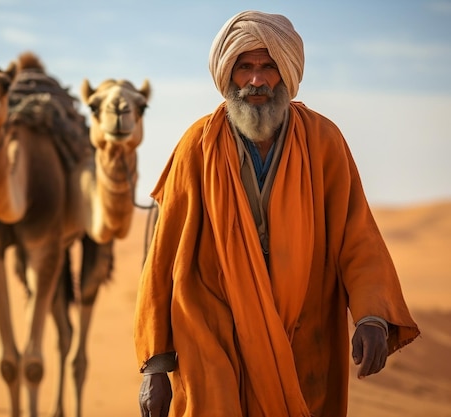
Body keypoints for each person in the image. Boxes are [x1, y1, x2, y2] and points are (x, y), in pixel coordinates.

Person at [133, 10, 420, 417]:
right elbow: (162, 258)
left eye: (268, 66)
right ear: (227, 74)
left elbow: (356, 236)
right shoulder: (197, 145)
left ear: (286, 72)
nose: (256, 80)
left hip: (302, 330)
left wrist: (373, 316)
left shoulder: (323, 141)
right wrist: (155, 364)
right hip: (213, 330)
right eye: (245, 67)